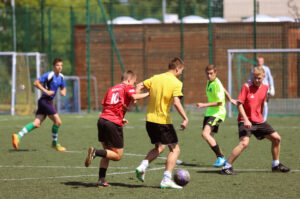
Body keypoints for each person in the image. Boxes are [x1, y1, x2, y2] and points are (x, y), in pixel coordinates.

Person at [84, 70, 149, 187]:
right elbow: (134, 96)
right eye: (134, 82)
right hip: (112, 123)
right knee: (117, 155)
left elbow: (113, 106)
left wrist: (121, 117)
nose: (134, 85)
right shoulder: (127, 87)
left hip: (102, 120)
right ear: (129, 80)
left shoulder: (112, 88)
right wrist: (149, 94)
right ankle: (95, 152)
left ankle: (101, 180)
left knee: (107, 153)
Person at [221, 67, 290, 175]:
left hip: (258, 121)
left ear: (263, 77)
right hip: (245, 120)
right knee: (244, 143)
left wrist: (261, 118)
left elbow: (262, 102)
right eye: (255, 78)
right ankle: (226, 167)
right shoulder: (246, 86)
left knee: (277, 139)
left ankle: (275, 165)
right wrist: (246, 120)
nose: (256, 80)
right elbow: (239, 105)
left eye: (259, 78)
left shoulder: (265, 87)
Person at [135, 57, 189, 189]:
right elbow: (176, 102)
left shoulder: (156, 78)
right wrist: (185, 118)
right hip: (163, 121)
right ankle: (166, 179)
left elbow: (139, 85)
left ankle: (142, 166)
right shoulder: (176, 83)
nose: (181, 73)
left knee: (160, 147)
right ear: (177, 68)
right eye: (181, 70)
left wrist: (135, 99)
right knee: (175, 150)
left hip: (149, 120)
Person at [12, 58, 67, 152]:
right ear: (54, 66)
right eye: (57, 65)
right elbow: (36, 83)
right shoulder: (49, 75)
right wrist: (46, 91)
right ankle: (54, 143)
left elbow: (63, 88)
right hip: (45, 101)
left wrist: (63, 92)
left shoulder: (61, 77)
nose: (59, 67)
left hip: (45, 102)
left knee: (36, 123)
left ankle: (18, 135)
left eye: (61, 65)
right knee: (58, 122)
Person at [196, 65, 237, 167]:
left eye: (211, 74)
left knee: (205, 134)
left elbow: (219, 103)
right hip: (210, 113)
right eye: (208, 74)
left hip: (217, 113)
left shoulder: (216, 83)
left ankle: (221, 157)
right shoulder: (210, 82)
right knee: (210, 137)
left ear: (216, 73)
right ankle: (221, 158)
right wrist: (230, 98)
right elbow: (223, 89)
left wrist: (203, 105)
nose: (209, 76)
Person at [249, 56, 275, 121]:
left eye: (261, 61)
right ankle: (256, 117)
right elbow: (250, 78)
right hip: (256, 89)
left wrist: (272, 87)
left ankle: (264, 119)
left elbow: (270, 78)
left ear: (263, 62)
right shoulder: (253, 69)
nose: (259, 62)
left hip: (265, 89)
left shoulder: (266, 69)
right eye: (258, 61)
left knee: (264, 103)